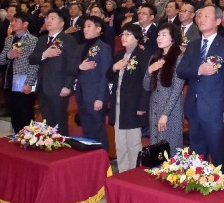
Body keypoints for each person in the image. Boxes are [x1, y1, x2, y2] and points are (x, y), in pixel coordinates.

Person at [177, 5, 224, 173]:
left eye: (206, 16)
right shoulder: (193, 45)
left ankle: (219, 193)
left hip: (216, 110)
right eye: (199, 16)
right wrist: (198, 70)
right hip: (194, 108)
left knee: (218, 156)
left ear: (218, 21)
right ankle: (199, 190)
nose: (201, 19)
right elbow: (180, 70)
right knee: (197, 155)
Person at [108, 23, 150, 172]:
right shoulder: (120, 54)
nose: (123, 37)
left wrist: (142, 106)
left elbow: (146, 82)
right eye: (122, 34)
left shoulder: (143, 55)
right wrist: (114, 67)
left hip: (133, 105)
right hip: (118, 104)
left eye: (128, 34)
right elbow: (108, 75)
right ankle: (123, 172)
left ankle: (134, 173)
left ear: (137, 38)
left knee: (133, 143)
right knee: (120, 143)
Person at [28, 10, 78, 136]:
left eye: (52, 18)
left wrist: (68, 85)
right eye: (47, 18)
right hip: (43, 86)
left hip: (60, 86)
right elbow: (32, 59)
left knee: (59, 120)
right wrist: (45, 54)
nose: (48, 21)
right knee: (47, 120)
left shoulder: (68, 39)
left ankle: (62, 149)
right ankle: (50, 146)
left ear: (61, 23)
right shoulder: (42, 39)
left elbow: (72, 64)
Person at [143, 23, 185, 155]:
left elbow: (177, 90)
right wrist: (150, 70)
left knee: (170, 147)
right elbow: (146, 86)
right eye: (158, 35)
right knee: (156, 147)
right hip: (155, 107)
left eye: (164, 35)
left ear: (172, 38)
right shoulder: (154, 57)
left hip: (171, 110)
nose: (159, 38)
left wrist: (165, 114)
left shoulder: (179, 59)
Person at [0, 12, 38, 133]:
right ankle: (18, 137)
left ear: (25, 24)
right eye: (12, 21)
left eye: (16, 21)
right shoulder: (10, 40)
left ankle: (29, 139)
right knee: (14, 113)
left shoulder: (32, 40)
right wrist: (9, 55)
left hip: (24, 82)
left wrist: (29, 83)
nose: (12, 23)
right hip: (9, 80)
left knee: (26, 113)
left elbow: (34, 64)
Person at [76, 16, 113, 149]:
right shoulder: (81, 47)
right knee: (87, 130)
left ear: (98, 29)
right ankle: (90, 161)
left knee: (98, 130)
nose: (85, 29)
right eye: (84, 26)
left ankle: (104, 163)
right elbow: (74, 67)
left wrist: (100, 98)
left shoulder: (104, 48)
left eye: (89, 26)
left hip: (95, 96)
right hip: (82, 94)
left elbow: (105, 75)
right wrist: (79, 67)